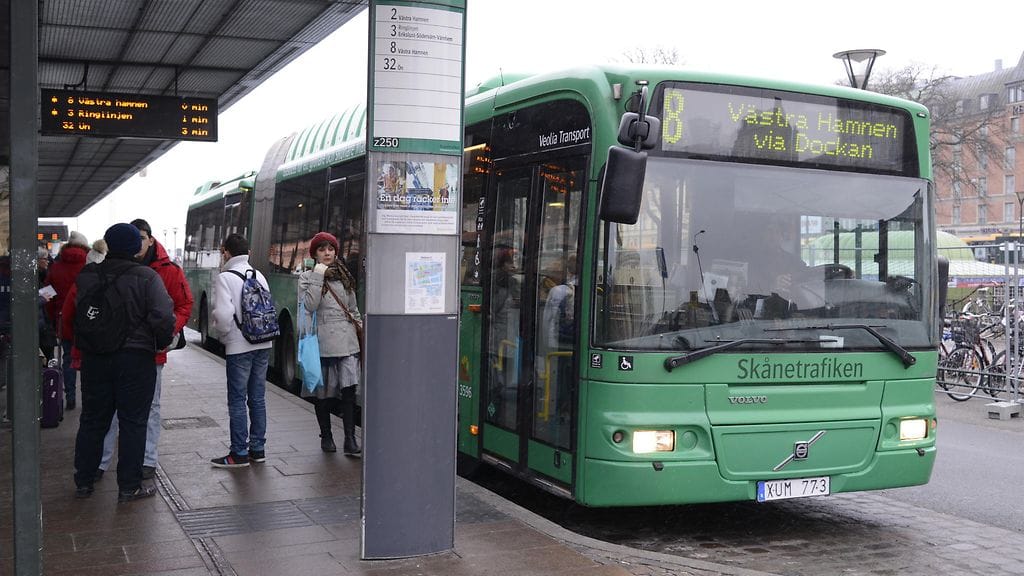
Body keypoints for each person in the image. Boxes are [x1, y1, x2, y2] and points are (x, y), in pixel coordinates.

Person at [70, 223, 175, 502]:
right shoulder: (146, 277)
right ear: (133, 246)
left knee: (92, 419)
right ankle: (129, 485)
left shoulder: (88, 275)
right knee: (133, 422)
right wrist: (162, 341)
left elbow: (76, 313)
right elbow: (163, 318)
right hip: (135, 359)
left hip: (95, 357)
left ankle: (84, 479)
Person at [96, 219, 193, 481]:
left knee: (151, 407)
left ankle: (148, 460)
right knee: (111, 409)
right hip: (114, 349)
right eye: (133, 237)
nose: (137, 242)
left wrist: (170, 331)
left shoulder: (168, 270)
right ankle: (100, 463)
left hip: (151, 352)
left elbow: (184, 304)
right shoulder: (111, 269)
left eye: (141, 236)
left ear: (151, 239)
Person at [209, 233, 272, 468]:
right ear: (248, 253)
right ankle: (258, 449)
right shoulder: (259, 275)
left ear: (225, 252)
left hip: (240, 345)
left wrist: (226, 337)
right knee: (257, 398)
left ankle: (238, 453)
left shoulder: (225, 277)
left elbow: (224, 316)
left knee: (237, 399)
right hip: (263, 343)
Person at [299, 232, 362, 456]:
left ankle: (350, 439)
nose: (327, 253)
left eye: (331, 249)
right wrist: (318, 276)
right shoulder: (307, 277)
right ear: (315, 254)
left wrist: (360, 328)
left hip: (347, 341)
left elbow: (353, 308)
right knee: (323, 394)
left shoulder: (344, 275)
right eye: (322, 249)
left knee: (348, 392)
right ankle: (326, 436)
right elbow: (310, 306)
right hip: (323, 342)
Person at [44, 230, 90, 410]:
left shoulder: (55, 267)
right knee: (88, 359)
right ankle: (87, 397)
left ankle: (70, 396)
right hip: (88, 321)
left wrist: (53, 318)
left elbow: (47, 296)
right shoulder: (89, 265)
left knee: (68, 358)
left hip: (63, 321)